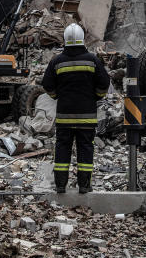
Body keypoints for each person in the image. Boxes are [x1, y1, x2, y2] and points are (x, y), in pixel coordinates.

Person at [41, 23, 110, 194]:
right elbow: (104, 83)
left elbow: (47, 84)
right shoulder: (92, 60)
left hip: (64, 117)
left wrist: (57, 96)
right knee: (86, 149)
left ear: (65, 40)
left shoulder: (56, 62)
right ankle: (84, 186)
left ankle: (60, 185)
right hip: (87, 117)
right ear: (82, 40)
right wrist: (96, 96)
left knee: (62, 149)